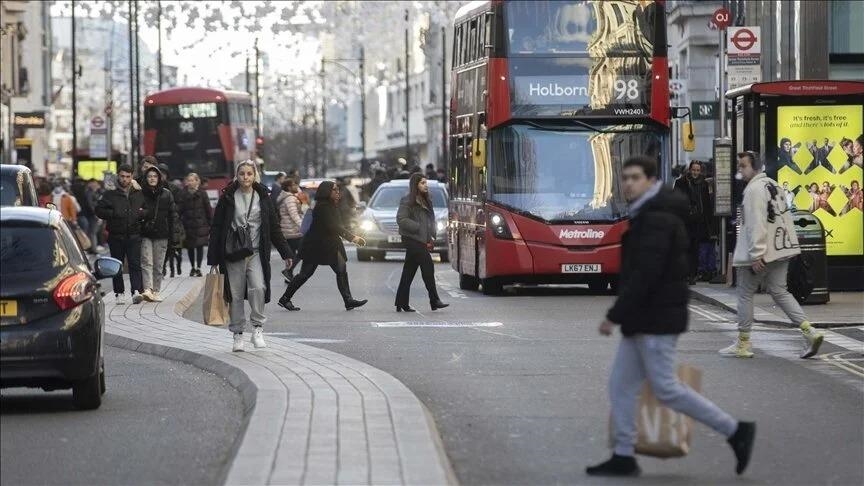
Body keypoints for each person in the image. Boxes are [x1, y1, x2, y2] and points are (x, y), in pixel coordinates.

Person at [586, 156, 755, 478]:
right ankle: (623, 455)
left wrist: (615, 314)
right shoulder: (646, 214)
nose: (628, 183)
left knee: (665, 388)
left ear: (651, 181)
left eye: (635, 177)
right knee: (620, 385)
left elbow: (647, 273)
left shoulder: (657, 218)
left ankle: (735, 430)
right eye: (625, 178)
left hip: (657, 317)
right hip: (644, 317)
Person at [723, 151, 825, 359]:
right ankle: (809, 331)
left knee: (744, 294)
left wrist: (756, 254)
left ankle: (743, 343)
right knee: (780, 292)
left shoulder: (753, 190)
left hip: (762, 252)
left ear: (755, 167)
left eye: (743, 166)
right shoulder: (774, 185)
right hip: (781, 249)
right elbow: (784, 217)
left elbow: (756, 223)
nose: (740, 170)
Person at [208, 161, 295, 352]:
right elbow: (216, 227)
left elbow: (273, 227)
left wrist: (286, 252)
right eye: (242, 174)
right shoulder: (228, 196)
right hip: (233, 253)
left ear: (255, 175)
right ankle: (238, 334)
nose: (245, 177)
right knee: (236, 294)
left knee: (258, 287)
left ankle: (257, 328)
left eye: (249, 173)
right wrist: (213, 258)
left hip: (256, 252)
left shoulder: (263, 196)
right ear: (236, 176)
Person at [278, 181, 368, 312]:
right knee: (305, 274)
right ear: (327, 192)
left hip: (329, 245)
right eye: (335, 190)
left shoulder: (330, 205)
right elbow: (334, 226)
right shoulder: (323, 207)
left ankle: (348, 300)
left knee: (341, 270)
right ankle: (285, 298)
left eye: (338, 190)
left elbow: (337, 225)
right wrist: (353, 237)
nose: (338, 193)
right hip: (316, 246)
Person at [395, 173, 449, 312]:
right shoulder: (407, 200)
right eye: (422, 183)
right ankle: (434, 300)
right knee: (428, 266)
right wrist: (418, 227)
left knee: (409, 271)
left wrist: (430, 237)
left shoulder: (426, 200)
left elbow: (430, 220)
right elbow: (401, 219)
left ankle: (401, 302)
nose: (426, 185)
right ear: (416, 185)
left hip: (421, 239)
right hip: (412, 239)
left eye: (426, 182)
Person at [95, 164, 146, 304]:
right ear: (118, 176)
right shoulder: (110, 193)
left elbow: (148, 209)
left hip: (134, 233)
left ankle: (136, 290)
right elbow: (99, 210)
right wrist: (113, 213)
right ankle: (119, 292)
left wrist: (141, 214)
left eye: (128, 177)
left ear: (132, 177)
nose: (125, 179)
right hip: (116, 235)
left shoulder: (138, 193)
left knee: (135, 263)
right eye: (122, 176)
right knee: (117, 265)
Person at [135, 166, 177, 303]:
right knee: (146, 262)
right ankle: (147, 289)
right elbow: (135, 212)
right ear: (146, 179)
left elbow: (173, 216)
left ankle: (156, 291)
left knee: (158, 265)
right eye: (149, 176)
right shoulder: (140, 194)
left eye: (155, 176)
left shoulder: (166, 194)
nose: (152, 178)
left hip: (162, 233)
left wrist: (174, 236)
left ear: (159, 178)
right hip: (145, 232)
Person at [673, 161, 714, 283]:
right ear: (690, 170)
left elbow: (706, 204)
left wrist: (709, 223)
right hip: (684, 221)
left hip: (698, 221)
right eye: (694, 170)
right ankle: (684, 274)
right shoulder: (680, 183)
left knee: (695, 249)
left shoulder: (704, 184)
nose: (695, 172)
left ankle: (692, 275)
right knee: (685, 248)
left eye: (698, 170)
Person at [178, 172, 212, 277]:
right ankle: (192, 267)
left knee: (200, 246)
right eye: (189, 180)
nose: (190, 182)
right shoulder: (183, 194)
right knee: (190, 247)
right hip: (188, 225)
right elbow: (180, 210)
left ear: (197, 181)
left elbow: (208, 209)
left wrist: (211, 224)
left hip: (201, 224)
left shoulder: (202, 193)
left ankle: (199, 267)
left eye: (193, 180)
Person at [276, 178, 304, 276]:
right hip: (293, 231)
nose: (297, 186)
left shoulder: (285, 197)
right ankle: (288, 271)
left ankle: (288, 274)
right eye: (294, 185)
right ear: (289, 187)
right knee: (303, 251)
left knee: (290, 255)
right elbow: (294, 215)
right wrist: (303, 226)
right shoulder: (290, 199)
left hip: (287, 231)